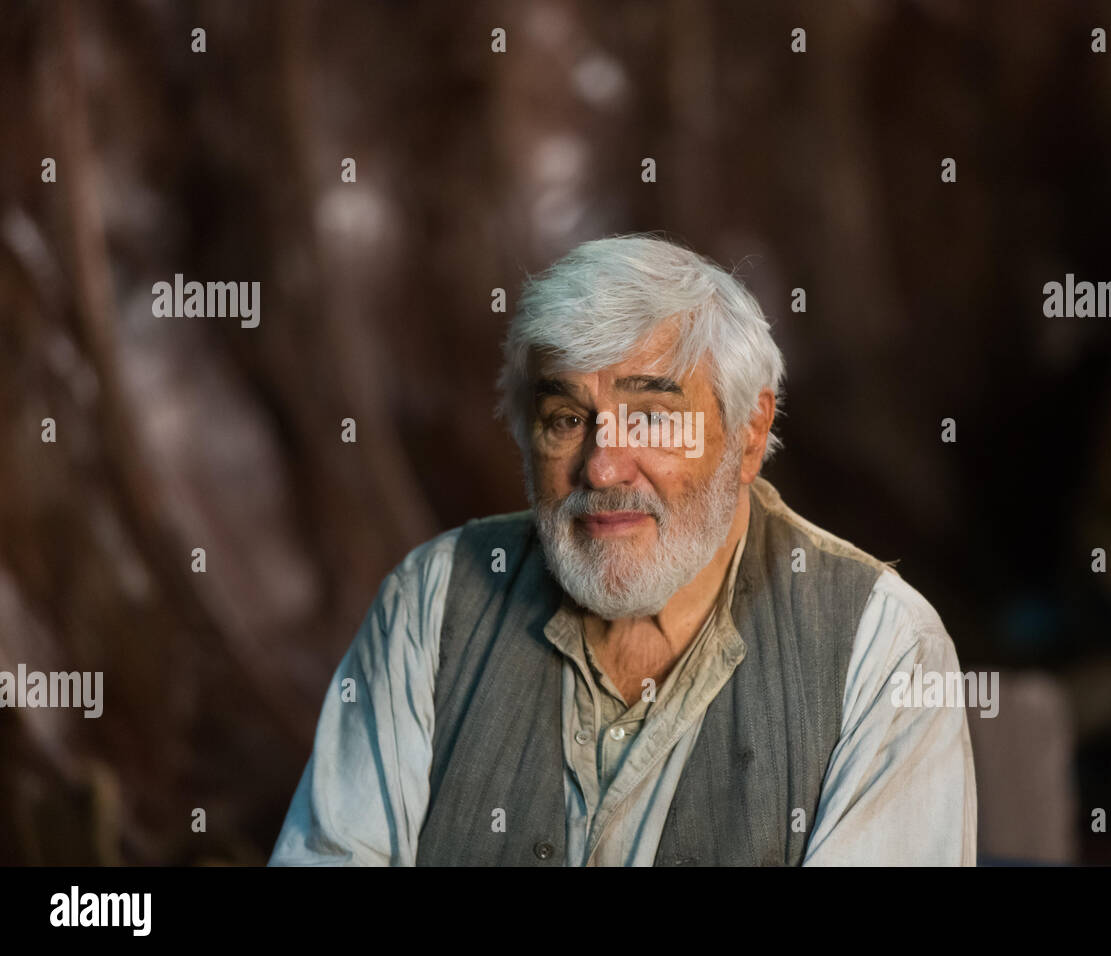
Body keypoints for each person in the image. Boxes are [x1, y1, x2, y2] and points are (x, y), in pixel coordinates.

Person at [269, 233, 977, 866]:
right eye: (568, 418)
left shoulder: (882, 648)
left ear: (749, 432)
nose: (603, 467)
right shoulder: (432, 602)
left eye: (652, 418)